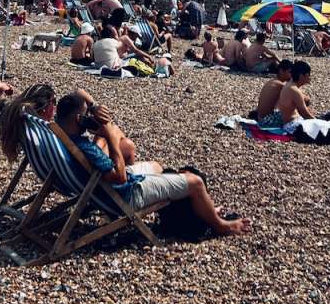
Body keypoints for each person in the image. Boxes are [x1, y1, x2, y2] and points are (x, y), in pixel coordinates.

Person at [53, 91, 250, 235]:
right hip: (125, 196)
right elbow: (120, 177)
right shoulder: (83, 147)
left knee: (157, 167)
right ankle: (221, 225)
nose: (91, 117)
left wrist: (94, 106)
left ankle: (199, 211)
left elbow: (80, 92)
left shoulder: (60, 136)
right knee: (195, 181)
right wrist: (110, 136)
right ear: (79, 118)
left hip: (103, 190)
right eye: (87, 115)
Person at [265, 60, 313, 128]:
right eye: (308, 75)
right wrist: (318, 122)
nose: (309, 77)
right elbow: (305, 114)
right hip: (289, 124)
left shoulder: (290, 85)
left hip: (284, 120)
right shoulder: (294, 90)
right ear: (302, 76)